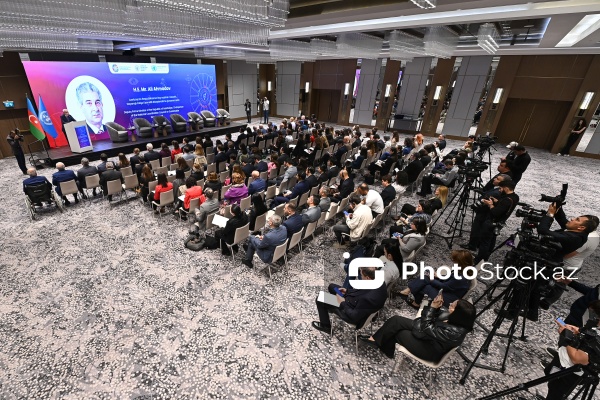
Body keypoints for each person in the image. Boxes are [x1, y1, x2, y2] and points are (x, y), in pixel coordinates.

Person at [359, 296, 476, 361]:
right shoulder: (453, 317)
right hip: (428, 335)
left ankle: (384, 346)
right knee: (396, 320)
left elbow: (427, 326)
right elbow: (429, 324)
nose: (449, 304)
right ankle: (376, 341)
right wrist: (435, 307)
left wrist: (432, 308)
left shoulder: (455, 333)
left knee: (399, 333)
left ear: (458, 313)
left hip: (430, 349)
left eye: (452, 306)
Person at [312, 266, 388, 335]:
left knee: (320, 298)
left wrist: (342, 302)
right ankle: (329, 306)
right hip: (353, 300)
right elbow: (362, 292)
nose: (361, 277)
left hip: (349, 310)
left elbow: (353, 316)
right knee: (332, 287)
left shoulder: (368, 299)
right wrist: (347, 291)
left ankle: (326, 326)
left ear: (368, 278)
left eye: (362, 275)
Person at [462, 180, 519, 263]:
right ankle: (486, 256)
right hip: (499, 223)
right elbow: (504, 206)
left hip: (492, 221)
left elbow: (495, 212)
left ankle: (479, 259)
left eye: (500, 188)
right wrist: (496, 201)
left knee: (485, 242)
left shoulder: (506, 200)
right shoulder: (515, 197)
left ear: (506, 188)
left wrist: (490, 205)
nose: (499, 190)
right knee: (491, 240)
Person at [400, 250, 474, 308]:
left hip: (448, 297)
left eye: (455, 260)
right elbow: (451, 279)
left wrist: (432, 279)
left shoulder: (461, 278)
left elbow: (444, 287)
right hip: (449, 289)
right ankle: (411, 294)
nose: (453, 261)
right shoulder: (466, 269)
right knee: (428, 272)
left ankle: (412, 296)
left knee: (425, 285)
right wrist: (439, 276)